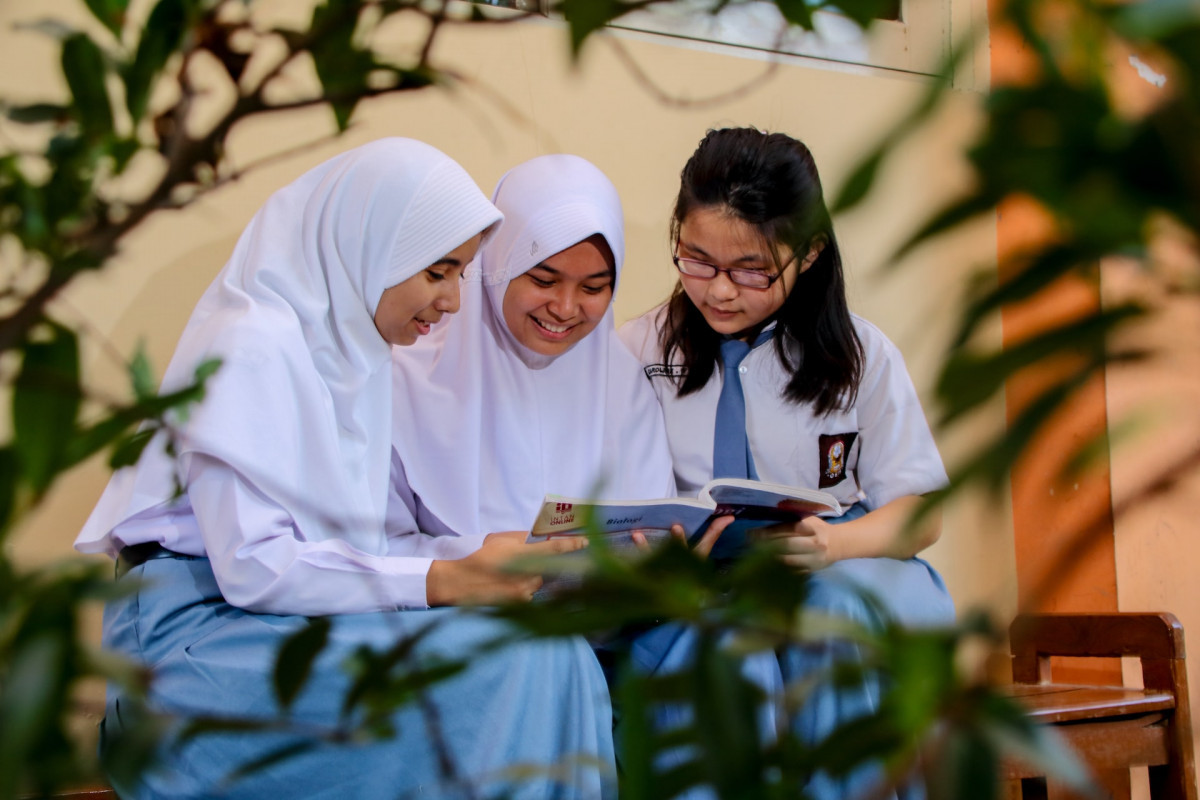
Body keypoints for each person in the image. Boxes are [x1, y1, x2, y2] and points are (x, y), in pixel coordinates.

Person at [75, 138, 614, 799]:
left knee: (560, 654)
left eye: (460, 276)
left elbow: (348, 542)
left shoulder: (351, 351)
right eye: (437, 271)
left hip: (289, 615)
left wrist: (488, 555)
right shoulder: (252, 348)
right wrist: (446, 577)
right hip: (199, 633)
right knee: (515, 663)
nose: (450, 302)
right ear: (372, 246)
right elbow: (257, 567)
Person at [618, 127, 956, 799]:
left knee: (827, 611)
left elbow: (921, 513)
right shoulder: (639, 350)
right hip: (711, 577)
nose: (717, 291)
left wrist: (832, 543)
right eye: (695, 260)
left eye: (750, 270)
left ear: (809, 253)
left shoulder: (860, 355)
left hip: (851, 568)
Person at [390, 153, 688, 570]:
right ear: (495, 265)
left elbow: (654, 527)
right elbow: (378, 550)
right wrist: (472, 562)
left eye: (594, 287)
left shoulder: (624, 383)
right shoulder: (407, 377)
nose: (565, 308)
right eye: (543, 280)